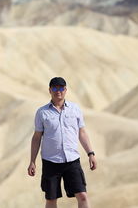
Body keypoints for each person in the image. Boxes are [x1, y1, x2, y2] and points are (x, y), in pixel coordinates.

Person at [28, 77, 97, 208]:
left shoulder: (75, 109)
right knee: (51, 199)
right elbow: (36, 137)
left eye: (61, 88)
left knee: (82, 196)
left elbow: (82, 133)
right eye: (54, 88)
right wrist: (32, 161)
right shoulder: (42, 113)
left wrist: (91, 154)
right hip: (51, 162)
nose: (58, 91)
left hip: (72, 160)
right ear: (50, 90)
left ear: (65, 90)